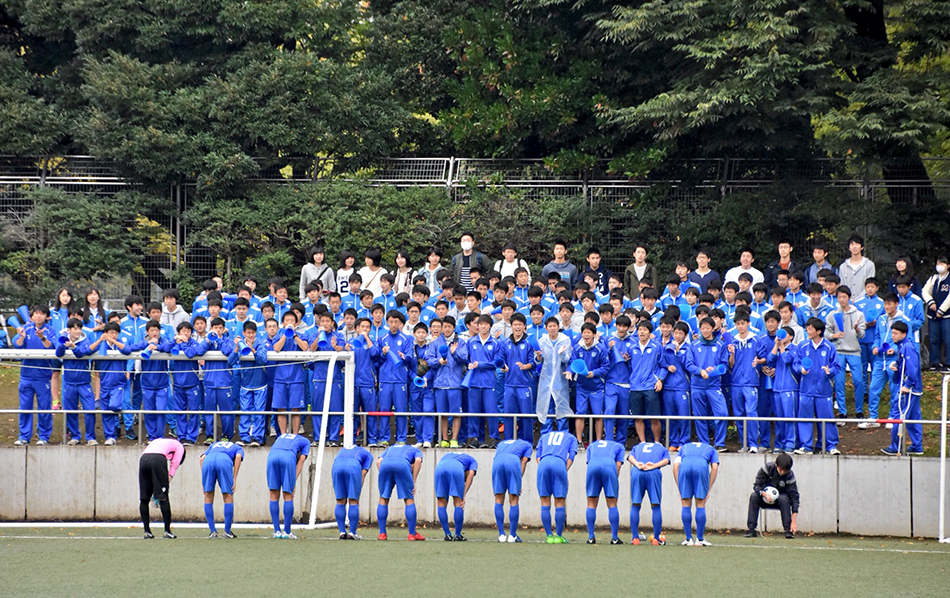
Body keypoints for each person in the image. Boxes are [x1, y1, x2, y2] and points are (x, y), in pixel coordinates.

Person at [794, 318, 841, 455]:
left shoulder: (829, 347)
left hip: (823, 390)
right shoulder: (802, 346)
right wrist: (801, 369)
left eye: (810, 328)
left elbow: (837, 366)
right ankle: (806, 446)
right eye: (807, 327)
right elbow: (796, 364)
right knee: (805, 418)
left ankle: (830, 445)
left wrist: (829, 371)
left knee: (826, 419)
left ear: (818, 331)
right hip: (806, 390)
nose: (807, 330)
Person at [12, 307, 57, 446]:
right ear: (32, 316)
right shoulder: (26, 328)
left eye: (42, 314)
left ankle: (44, 436)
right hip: (26, 375)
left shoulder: (50, 330)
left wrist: (42, 337)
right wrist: (21, 337)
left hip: (43, 376)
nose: (39, 316)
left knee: (44, 408)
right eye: (36, 313)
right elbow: (17, 346)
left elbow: (52, 347)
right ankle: (24, 436)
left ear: (46, 317)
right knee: (25, 407)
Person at [882, 321, 924, 456]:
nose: (892, 336)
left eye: (895, 333)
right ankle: (917, 446)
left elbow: (912, 368)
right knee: (913, 417)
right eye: (892, 332)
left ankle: (896, 446)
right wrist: (896, 366)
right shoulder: (902, 346)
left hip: (909, 389)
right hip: (914, 388)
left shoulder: (907, 347)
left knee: (897, 415)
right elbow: (904, 365)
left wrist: (907, 385)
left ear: (904, 334)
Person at [824, 286, 866, 420]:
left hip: (854, 351)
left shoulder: (858, 314)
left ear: (849, 298)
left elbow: (862, 335)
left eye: (844, 297)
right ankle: (842, 412)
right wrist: (835, 335)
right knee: (839, 382)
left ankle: (859, 410)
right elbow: (826, 333)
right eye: (839, 297)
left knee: (858, 381)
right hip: (838, 351)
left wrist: (857, 329)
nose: (842, 300)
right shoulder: (832, 314)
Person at [55, 317, 96, 445]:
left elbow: (81, 354)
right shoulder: (63, 338)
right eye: (75, 328)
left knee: (90, 410)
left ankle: (90, 437)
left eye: (79, 328)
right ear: (69, 330)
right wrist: (64, 344)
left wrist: (73, 347)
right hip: (69, 382)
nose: (78, 331)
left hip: (84, 382)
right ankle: (75, 436)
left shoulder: (85, 340)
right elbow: (58, 354)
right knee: (70, 410)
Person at [674, 441, 720, 546]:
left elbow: (676, 467)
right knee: (700, 503)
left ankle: (688, 539)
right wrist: (709, 488)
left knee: (685, 503)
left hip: (685, 467)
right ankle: (699, 539)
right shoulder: (711, 449)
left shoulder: (684, 447)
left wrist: (679, 486)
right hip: (701, 467)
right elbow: (715, 467)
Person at [376, 443, 425, 541]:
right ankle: (412, 534)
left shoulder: (391, 448)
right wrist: (413, 480)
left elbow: (379, 461)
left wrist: (383, 474)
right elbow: (418, 461)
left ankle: (382, 534)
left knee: (383, 498)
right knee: (408, 499)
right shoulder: (415, 450)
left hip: (385, 465)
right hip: (402, 465)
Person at [536, 429, 578, 544]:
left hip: (544, 463)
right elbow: (572, 455)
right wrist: (564, 469)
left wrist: (542, 468)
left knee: (545, 501)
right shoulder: (571, 437)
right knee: (559, 501)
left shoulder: (544, 436)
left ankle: (549, 536)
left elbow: (538, 455)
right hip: (559, 462)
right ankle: (558, 536)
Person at [139, 438, 185, 539]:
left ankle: (147, 531)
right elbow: (175, 463)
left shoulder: (160, 441)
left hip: (143, 459)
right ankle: (167, 531)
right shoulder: (180, 446)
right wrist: (168, 479)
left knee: (144, 498)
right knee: (163, 497)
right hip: (158, 459)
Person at [745, 453, 800, 539]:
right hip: (764, 497)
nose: (782, 472)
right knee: (754, 496)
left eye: (785, 470)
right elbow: (757, 485)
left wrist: (794, 522)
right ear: (776, 464)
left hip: (781, 501)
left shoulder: (790, 476)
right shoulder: (766, 468)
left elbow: (794, 497)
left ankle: (788, 530)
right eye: (781, 469)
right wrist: (764, 494)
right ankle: (751, 529)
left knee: (784, 498)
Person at [266, 432, 310, 539]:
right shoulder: (306, 442)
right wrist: (293, 481)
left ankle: (276, 531)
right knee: (288, 494)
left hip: (272, 455)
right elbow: (301, 461)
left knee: (273, 494)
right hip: (288, 456)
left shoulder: (282, 436)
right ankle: (287, 532)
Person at [629, 320, 666, 444]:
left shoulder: (657, 347)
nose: (642, 332)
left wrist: (660, 380)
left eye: (645, 330)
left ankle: (657, 442)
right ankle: (642, 442)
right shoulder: (632, 347)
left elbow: (663, 366)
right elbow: (629, 366)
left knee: (654, 418)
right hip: (635, 387)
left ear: (650, 332)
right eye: (640, 330)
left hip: (651, 386)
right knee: (638, 418)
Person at [572, 322, 610, 444]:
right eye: (584, 332)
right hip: (581, 387)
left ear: (594, 334)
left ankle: (598, 441)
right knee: (580, 413)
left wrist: (593, 373)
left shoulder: (601, 348)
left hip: (597, 387)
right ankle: (579, 441)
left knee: (598, 415)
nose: (586, 335)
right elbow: (573, 362)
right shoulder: (577, 348)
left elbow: (605, 367)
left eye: (589, 332)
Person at [232, 320, 269, 446]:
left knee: (259, 411)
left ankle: (258, 437)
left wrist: (253, 350)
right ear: (243, 333)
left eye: (253, 333)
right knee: (245, 411)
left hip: (260, 384)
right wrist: (237, 348)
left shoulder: (260, 344)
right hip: (245, 384)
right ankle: (244, 437)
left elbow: (263, 360)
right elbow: (230, 361)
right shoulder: (240, 342)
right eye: (248, 333)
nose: (250, 335)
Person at [628, 440, 671, 545]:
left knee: (635, 505)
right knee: (655, 505)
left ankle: (635, 538)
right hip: (653, 473)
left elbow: (630, 457)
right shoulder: (662, 448)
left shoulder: (638, 446)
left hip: (637, 472)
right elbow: (666, 460)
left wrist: (637, 464)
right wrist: (654, 465)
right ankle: (656, 539)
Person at [584, 439, 626, 545]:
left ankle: (590, 537)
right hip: (609, 465)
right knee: (612, 502)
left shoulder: (592, 445)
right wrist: (613, 480)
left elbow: (589, 462)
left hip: (593, 465)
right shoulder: (619, 446)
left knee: (591, 502)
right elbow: (618, 465)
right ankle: (615, 538)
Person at [200, 440, 244, 539]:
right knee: (227, 495)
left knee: (208, 496)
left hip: (208, 461)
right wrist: (234, 477)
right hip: (224, 460)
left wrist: (204, 479)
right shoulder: (237, 447)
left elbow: (202, 458)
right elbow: (238, 457)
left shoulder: (213, 445)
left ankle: (212, 531)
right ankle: (227, 531)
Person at [492, 438, 533, 543]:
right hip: (513, 461)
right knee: (514, 498)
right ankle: (512, 535)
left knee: (498, 497)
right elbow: (523, 463)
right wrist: (518, 481)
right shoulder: (528, 445)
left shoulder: (501, 443)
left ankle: (501, 535)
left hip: (497, 461)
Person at [331, 444, 374, 540]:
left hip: (336, 466)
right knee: (353, 501)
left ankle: (342, 532)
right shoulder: (368, 455)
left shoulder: (342, 450)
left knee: (340, 501)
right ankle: (352, 533)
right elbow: (363, 474)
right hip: (353, 467)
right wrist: (357, 490)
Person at [434, 452, 479, 541]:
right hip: (456, 468)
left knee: (441, 502)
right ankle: (457, 535)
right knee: (458, 501)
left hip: (439, 468)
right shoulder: (473, 460)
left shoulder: (448, 454)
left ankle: (447, 534)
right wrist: (464, 494)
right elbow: (470, 475)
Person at [922, 256, 950, 371]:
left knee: (948, 339)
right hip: (932, 314)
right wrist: (931, 302)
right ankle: (935, 362)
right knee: (934, 338)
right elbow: (925, 290)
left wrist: (941, 310)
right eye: (938, 263)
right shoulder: (933, 278)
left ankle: (948, 363)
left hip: (947, 315)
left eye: (943, 263)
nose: (940, 265)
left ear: (948, 266)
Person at [838, 235, 875, 301]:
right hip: (847, 302)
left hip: (865, 300)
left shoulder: (869, 265)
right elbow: (842, 285)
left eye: (857, 244)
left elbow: (870, 284)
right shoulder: (843, 267)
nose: (854, 247)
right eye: (852, 244)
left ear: (862, 247)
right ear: (849, 247)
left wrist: (858, 300)